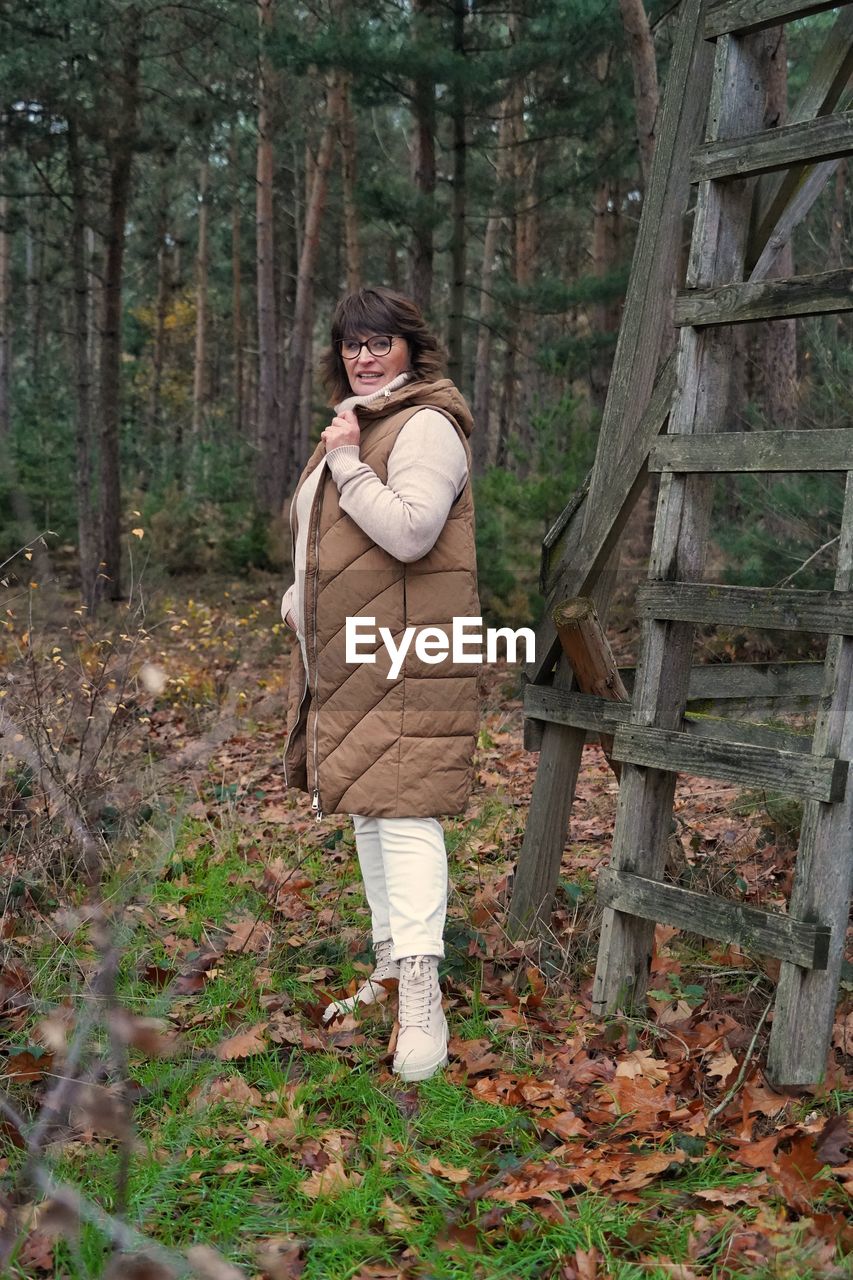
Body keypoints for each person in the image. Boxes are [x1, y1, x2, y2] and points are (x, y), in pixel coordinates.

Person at [280, 286, 480, 1082]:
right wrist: (302, 592)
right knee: (368, 806)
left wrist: (342, 464)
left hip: (407, 652)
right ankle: (392, 966)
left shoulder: (425, 424)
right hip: (355, 651)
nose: (362, 356)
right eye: (351, 345)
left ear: (411, 348)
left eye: (379, 342)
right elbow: (328, 535)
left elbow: (409, 530)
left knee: (405, 812)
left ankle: (423, 997)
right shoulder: (364, 421)